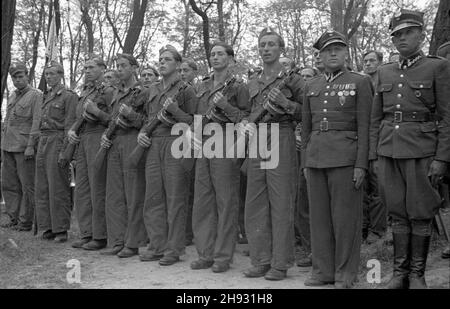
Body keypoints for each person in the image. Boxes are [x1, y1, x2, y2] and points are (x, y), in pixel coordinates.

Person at [370, 10, 450, 289]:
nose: (401, 38)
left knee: (420, 211)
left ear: (421, 34)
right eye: (396, 35)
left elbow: (447, 116)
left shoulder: (437, 67)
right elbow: (375, 118)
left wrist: (442, 157)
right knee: (397, 212)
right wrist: (374, 155)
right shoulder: (384, 71)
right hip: (389, 150)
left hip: (422, 150)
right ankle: (399, 273)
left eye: (407, 33)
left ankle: (417, 274)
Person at [302, 30, 372, 288]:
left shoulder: (360, 82)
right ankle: (322, 271)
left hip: (346, 158)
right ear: (320, 55)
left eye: (338, 49)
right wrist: (305, 163)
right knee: (319, 220)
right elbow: (306, 127)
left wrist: (361, 164)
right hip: (316, 159)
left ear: (346, 53)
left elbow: (365, 126)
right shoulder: (311, 85)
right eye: (327, 50)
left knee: (345, 221)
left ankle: (345, 274)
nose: (333, 53)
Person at [241, 27, 304, 281]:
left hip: (281, 135)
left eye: (271, 44)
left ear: (281, 49)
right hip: (257, 139)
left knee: (280, 202)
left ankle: (280, 262)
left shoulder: (294, 79)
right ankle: (260, 259)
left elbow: (306, 112)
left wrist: (286, 104)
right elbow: (246, 111)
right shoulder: (252, 82)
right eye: (262, 45)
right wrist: (244, 123)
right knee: (255, 202)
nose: (266, 49)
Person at [189, 42, 250, 273]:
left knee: (226, 201)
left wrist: (225, 106)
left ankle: (223, 256)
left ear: (231, 59)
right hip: (203, 142)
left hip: (226, 141)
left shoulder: (238, 87)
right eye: (212, 54)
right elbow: (197, 114)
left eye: (220, 54)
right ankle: (205, 253)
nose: (215, 57)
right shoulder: (202, 85)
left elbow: (245, 118)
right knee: (202, 200)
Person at [137, 45, 197, 266]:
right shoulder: (151, 90)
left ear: (178, 64)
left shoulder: (186, 90)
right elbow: (147, 118)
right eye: (160, 59)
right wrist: (143, 133)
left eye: (167, 59)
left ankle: (174, 249)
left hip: (176, 143)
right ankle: (156, 245)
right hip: (153, 144)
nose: (162, 63)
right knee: (153, 197)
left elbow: (193, 121)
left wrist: (174, 111)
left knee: (175, 197)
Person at [100, 53, 148, 257]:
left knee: (133, 194)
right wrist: (105, 135)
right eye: (117, 66)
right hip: (115, 142)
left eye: (123, 66)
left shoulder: (144, 92)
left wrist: (130, 114)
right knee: (115, 195)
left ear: (134, 68)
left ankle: (134, 241)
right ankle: (117, 240)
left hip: (131, 140)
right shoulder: (117, 92)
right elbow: (111, 119)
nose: (119, 69)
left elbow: (146, 122)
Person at [69, 56, 114, 251]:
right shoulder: (85, 92)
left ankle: (100, 235)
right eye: (85, 67)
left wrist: (97, 112)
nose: (87, 70)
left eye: (91, 67)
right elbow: (79, 117)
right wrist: (72, 129)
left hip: (98, 137)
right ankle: (86, 232)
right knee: (82, 189)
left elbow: (114, 120)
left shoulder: (109, 91)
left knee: (97, 188)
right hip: (83, 139)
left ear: (103, 69)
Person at [35, 61, 78, 242]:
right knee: (43, 186)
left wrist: (66, 151)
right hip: (43, 140)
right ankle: (48, 227)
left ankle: (61, 229)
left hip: (58, 140)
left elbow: (70, 124)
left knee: (58, 186)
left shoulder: (68, 96)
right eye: (46, 74)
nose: (49, 77)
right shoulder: (46, 96)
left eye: (52, 74)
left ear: (61, 75)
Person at [1, 63, 42, 232]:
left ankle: (25, 221)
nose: (17, 80)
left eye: (20, 77)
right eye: (14, 78)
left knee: (27, 186)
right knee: (9, 184)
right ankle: (14, 217)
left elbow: (36, 121)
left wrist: (31, 145)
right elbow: (8, 122)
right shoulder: (12, 96)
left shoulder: (36, 95)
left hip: (24, 146)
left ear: (27, 77)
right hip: (8, 145)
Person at [362, 50, 387, 244]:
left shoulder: (384, 83)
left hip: (381, 140)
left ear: (380, 62)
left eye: (372, 60)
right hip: (362, 140)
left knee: (378, 187)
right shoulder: (361, 83)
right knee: (362, 188)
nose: (368, 64)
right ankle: (363, 227)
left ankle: (377, 230)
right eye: (365, 61)